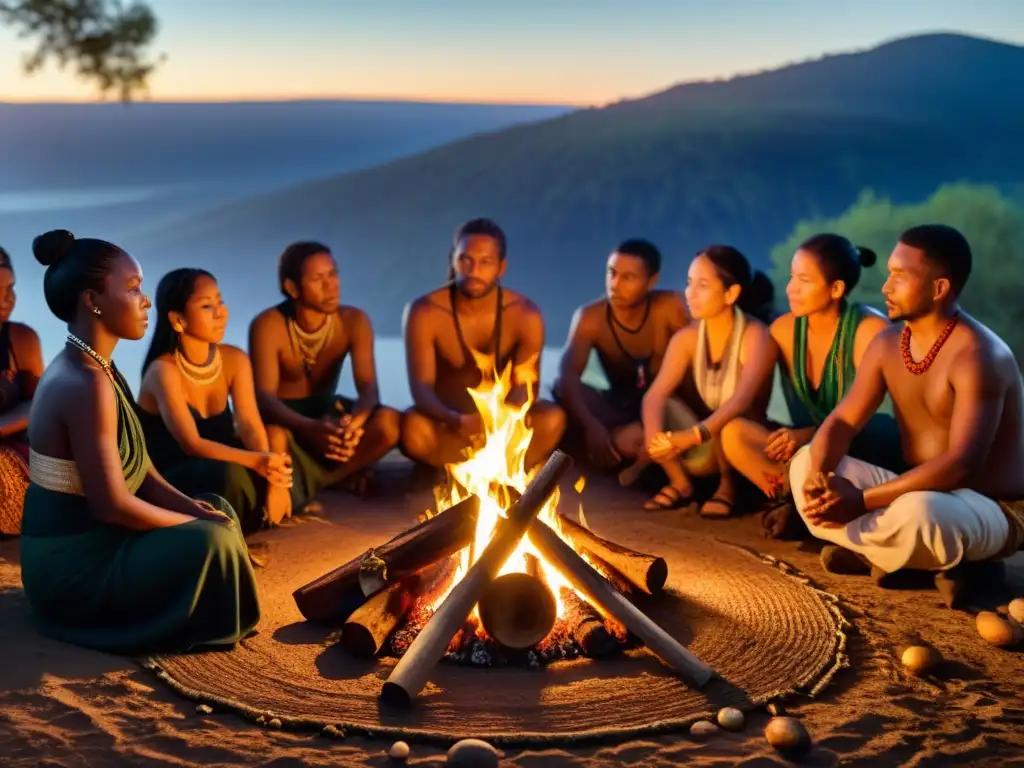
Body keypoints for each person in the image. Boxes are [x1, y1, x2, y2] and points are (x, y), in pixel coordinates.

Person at [20, 229, 259, 654]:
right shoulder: (84, 381)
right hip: (73, 566)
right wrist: (192, 525)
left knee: (216, 509)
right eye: (133, 289)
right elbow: (111, 505)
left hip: (101, 540)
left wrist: (190, 509)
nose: (146, 300)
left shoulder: (101, 367)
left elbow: (142, 468)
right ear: (92, 299)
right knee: (210, 538)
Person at [789, 224, 1024, 609]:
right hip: (914, 488)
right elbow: (843, 421)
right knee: (802, 466)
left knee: (922, 514)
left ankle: (901, 556)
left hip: (990, 507)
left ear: (939, 288)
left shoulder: (978, 355)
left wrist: (861, 501)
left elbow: (962, 464)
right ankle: (906, 558)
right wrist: (821, 474)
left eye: (900, 276)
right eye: (888, 274)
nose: (885, 287)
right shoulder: (887, 344)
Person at [718, 234, 903, 537]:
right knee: (735, 432)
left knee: (867, 438)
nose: (791, 288)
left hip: (857, 446)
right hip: (802, 451)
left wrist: (810, 434)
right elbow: (753, 408)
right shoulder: (782, 330)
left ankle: (803, 510)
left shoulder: (870, 330)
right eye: (792, 277)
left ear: (836, 289)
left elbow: (869, 419)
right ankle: (794, 500)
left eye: (804, 280)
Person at [399, 218, 566, 472]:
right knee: (411, 426)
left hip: (503, 428)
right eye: (465, 259)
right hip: (448, 425)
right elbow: (421, 388)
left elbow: (526, 386)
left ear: (501, 267)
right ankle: (458, 472)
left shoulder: (524, 314)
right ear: (453, 260)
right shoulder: (425, 312)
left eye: (485, 262)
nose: (474, 269)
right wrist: (456, 420)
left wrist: (500, 420)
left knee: (553, 418)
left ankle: (490, 472)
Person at [137, 268, 294, 535]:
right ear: (178, 319)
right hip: (173, 479)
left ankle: (264, 509)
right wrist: (257, 462)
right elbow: (191, 443)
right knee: (233, 473)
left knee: (275, 438)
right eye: (207, 306)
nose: (220, 312)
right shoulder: (163, 370)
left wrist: (274, 481)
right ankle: (232, 530)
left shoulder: (235, 359)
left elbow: (248, 425)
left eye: (220, 301)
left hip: (225, 465)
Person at [249, 242, 400, 501]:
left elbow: (368, 387)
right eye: (318, 278)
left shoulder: (353, 321)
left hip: (327, 415)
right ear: (292, 288)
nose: (331, 285)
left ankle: (321, 481)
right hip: (286, 421)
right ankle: (337, 478)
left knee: (390, 423)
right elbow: (264, 399)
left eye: (333, 274)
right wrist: (310, 428)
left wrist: (355, 423)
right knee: (276, 439)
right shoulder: (268, 326)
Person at [641, 245, 776, 516]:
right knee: (661, 405)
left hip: (742, 443)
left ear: (731, 293)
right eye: (689, 282)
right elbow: (655, 396)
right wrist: (656, 443)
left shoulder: (755, 335)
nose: (689, 293)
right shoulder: (688, 338)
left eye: (702, 285)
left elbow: (741, 401)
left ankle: (729, 486)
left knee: (731, 426)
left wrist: (689, 437)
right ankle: (681, 483)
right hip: (703, 444)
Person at [553, 238, 689, 474]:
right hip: (620, 409)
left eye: (628, 277)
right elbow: (568, 375)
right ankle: (623, 442)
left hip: (670, 405)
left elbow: (699, 358)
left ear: (651, 281)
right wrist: (591, 425)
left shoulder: (669, 307)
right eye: (612, 273)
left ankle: (642, 449)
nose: (615, 284)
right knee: (562, 387)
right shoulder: (590, 318)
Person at [0, 247, 44, 536]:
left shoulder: (20, 339)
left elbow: (40, 406)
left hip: (15, 459)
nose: (8, 297)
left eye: (11, 286)